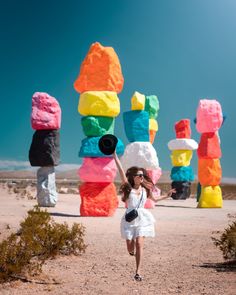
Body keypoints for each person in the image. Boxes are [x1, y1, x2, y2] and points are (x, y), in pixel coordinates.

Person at [113, 151, 175, 281]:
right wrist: (114, 155)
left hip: (142, 218)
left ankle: (138, 272)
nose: (142, 177)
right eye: (139, 175)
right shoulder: (128, 187)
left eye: (143, 175)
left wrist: (166, 196)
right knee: (130, 245)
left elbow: (154, 199)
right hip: (129, 219)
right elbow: (121, 171)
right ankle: (130, 251)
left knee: (139, 243)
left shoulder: (146, 189)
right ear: (134, 177)